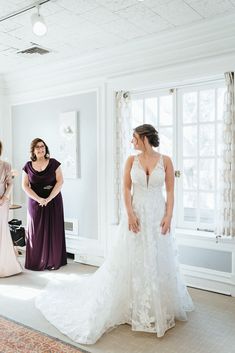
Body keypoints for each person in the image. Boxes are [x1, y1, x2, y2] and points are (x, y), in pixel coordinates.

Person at [35, 124, 194, 344]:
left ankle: (159, 304)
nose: (132, 142)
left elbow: (170, 191)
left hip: (157, 216)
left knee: (158, 257)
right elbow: (126, 190)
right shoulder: (131, 161)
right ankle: (131, 303)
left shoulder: (166, 161)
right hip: (136, 215)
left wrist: (169, 216)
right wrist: (129, 214)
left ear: (145, 138)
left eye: (135, 138)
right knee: (132, 258)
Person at [22, 138, 67, 271]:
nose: (41, 149)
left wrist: (48, 198)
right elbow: (25, 186)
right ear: (33, 151)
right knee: (35, 231)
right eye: (37, 147)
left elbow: (60, 182)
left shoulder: (54, 163)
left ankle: (54, 260)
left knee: (54, 229)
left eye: (42, 146)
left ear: (45, 148)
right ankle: (36, 262)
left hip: (53, 200)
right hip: (35, 202)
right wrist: (38, 199)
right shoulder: (28, 166)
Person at [0, 141, 22, 277]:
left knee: (2, 230)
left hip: (2, 202)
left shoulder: (6, 165)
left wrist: (4, 198)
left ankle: (4, 265)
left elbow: (10, 184)